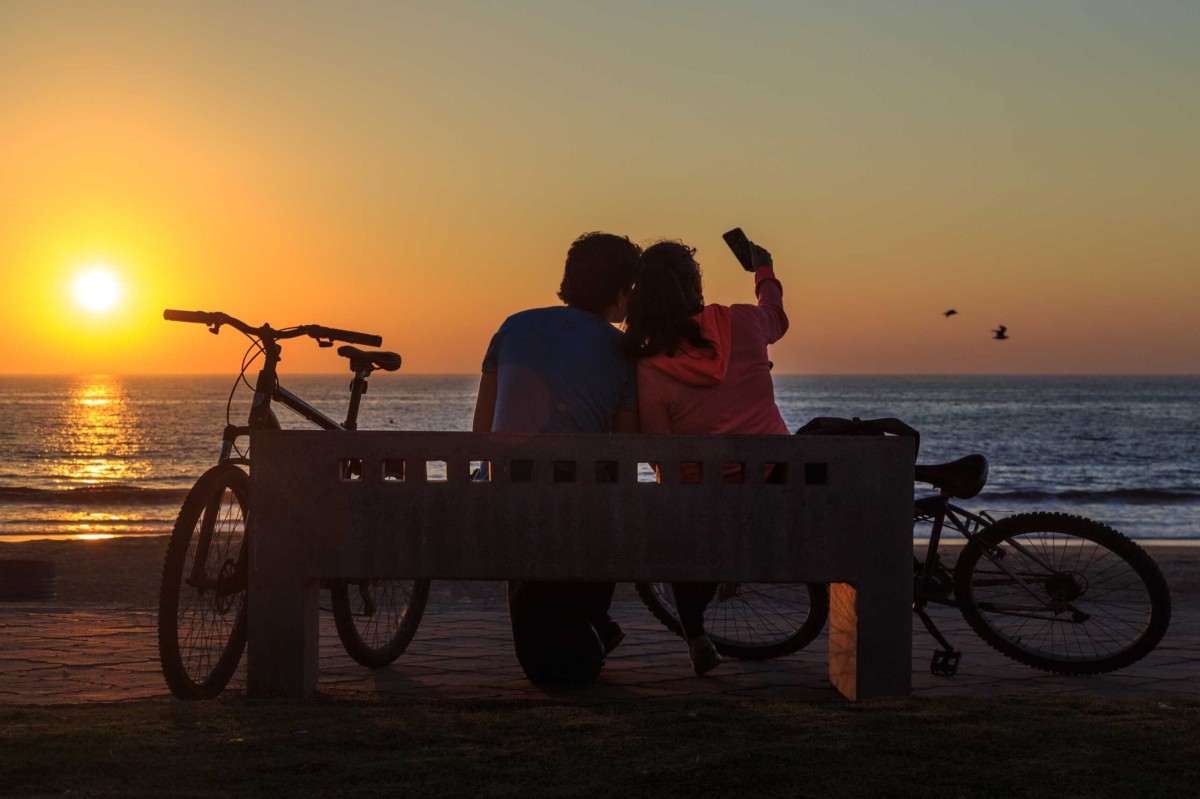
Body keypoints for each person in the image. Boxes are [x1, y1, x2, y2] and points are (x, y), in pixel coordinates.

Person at [472, 231, 642, 684]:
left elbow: (481, 431)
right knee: (604, 490)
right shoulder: (622, 350)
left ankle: (584, 627)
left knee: (528, 490)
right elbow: (626, 451)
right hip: (577, 510)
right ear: (620, 292)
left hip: (507, 500)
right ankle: (591, 621)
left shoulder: (513, 326)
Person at [619, 237, 788, 675]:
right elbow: (776, 317)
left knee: (685, 506)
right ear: (694, 284)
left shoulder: (649, 366)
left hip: (702, 506)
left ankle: (695, 635)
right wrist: (764, 271)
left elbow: (661, 458)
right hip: (777, 489)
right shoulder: (744, 321)